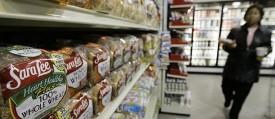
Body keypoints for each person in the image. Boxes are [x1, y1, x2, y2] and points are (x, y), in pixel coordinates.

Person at [221, 4, 272, 119]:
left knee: (240, 98)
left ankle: (233, 115)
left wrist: (264, 51)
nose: (252, 16)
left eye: (255, 13)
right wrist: (230, 46)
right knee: (226, 88)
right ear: (245, 16)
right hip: (232, 67)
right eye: (249, 13)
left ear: (260, 16)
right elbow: (225, 47)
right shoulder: (236, 31)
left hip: (250, 69)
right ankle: (228, 98)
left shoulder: (266, 33)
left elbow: (269, 47)